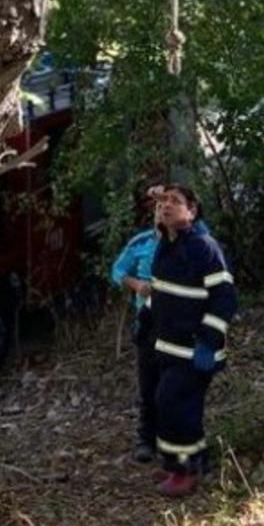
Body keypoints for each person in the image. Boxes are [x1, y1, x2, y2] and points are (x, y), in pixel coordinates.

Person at [149, 184, 237, 497]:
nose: (166, 205)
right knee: (172, 405)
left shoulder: (204, 248)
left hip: (195, 350)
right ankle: (188, 462)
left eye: (176, 201)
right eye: (163, 202)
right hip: (169, 347)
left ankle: (185, 471)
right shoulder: (166, 246)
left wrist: (209, 342)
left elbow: (225, 299)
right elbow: (162, 292)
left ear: (192, 211)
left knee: (175, 405)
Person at [110, 181, 165, 462]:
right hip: (148, 321)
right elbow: (117, 270)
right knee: (148, 383)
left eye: (169, 206)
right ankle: (146, 439)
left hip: (178, 322)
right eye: (158, 208)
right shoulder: (142, 242)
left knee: (174, 383)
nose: (163, 212)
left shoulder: (190, 241)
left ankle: (173, 439)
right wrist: (136, 285)